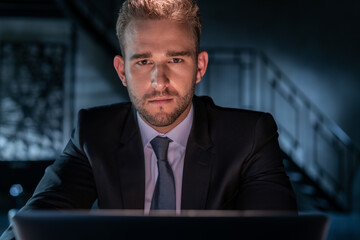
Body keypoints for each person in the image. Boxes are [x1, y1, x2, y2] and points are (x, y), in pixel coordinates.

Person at [0, 0, 297, 239]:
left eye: (175, 59)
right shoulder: (94, 133)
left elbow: (276, 231)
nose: (159, 81)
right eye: (144, 61)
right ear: (121, 72)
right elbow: (38, 221)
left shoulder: (250, 136)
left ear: (200, 66)